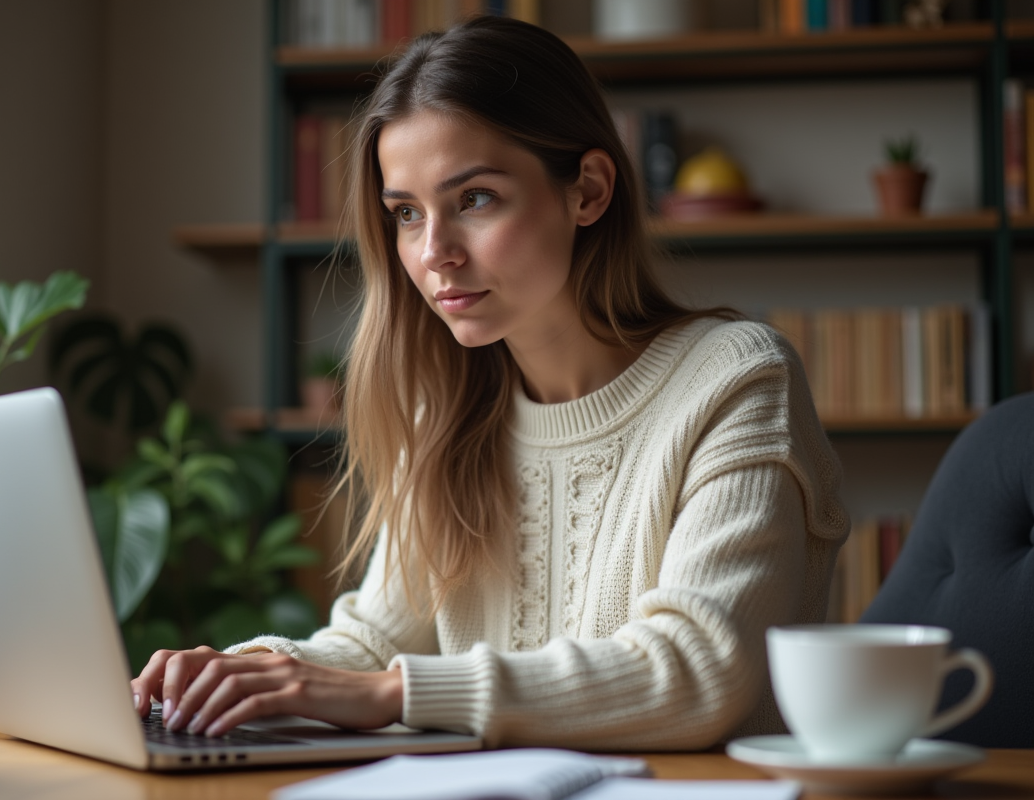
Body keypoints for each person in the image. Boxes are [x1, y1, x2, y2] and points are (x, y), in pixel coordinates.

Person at [131, 15, 849, 751]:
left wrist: (393, 693)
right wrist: (239, 673)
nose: (434, 252)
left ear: (589, 191)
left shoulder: (735, 378)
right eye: (406, 213)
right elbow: (374, 645)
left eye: (473, 199)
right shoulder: (445, 406)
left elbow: (699, 670)